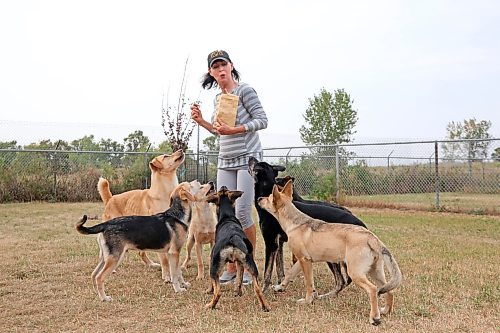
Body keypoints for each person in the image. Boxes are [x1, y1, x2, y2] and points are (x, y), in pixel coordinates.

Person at [191, 50, 268, 285]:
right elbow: (219, 130)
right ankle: (231, 267)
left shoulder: (245, 90)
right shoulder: (218, 98)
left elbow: (262, 120)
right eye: (215, 67)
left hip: (247, 159)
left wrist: (236, 129)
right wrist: (202, 120)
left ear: (231, 66)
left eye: (223, 64)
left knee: (243, 212)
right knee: (226, 215)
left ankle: (248, 267)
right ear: (211, 72)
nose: (220, 69)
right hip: (225, 160)